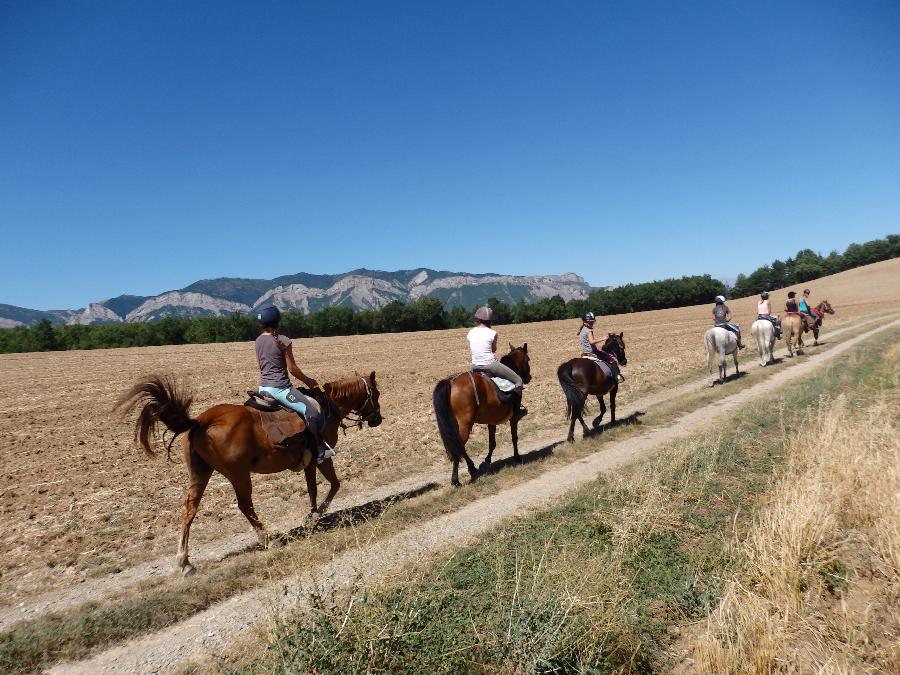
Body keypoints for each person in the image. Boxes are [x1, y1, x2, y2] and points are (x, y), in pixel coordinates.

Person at [254, 305, 334, 464]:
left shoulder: (258, 341)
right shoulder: (283, 340)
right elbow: (292, 368)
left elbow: (261, 366)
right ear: (278, 321)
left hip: (263, 388)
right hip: (280, 389)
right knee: (311, 411)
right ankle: (318, 451)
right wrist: (308, 381)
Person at [467, 306, 527, 418]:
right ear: (489, 320)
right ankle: (516, 412)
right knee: (518, 380)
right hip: (490, 365)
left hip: (474, 366)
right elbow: (493, 350)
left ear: (477, 319)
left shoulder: (470, 333)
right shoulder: (493, 333)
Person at [578, 311, 625, 382]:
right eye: (590, 322)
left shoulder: (582, 330)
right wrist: (603, 338)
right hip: (593, 352)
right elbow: (592, 341)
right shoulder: (589, 331)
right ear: (584, 322)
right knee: (612, 359)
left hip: (585, 352)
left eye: (593, 322)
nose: (592, 323)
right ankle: (617, 377)